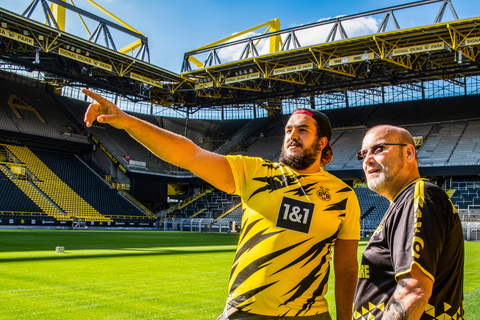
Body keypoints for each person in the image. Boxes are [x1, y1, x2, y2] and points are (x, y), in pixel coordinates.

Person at [82, 89, 361, 320]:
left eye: (302, 130)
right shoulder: (255, 171)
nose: (291, 135)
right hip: (245, 311)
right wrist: (127, 121)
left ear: (322, 142)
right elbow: (189, 155)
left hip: (308, 315)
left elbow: (347, 267)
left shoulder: (343, 196)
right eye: (288, 129)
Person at [353, 125, 464, 320]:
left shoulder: (418, 195)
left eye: (378, 149)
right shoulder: (404, 202)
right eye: (363, 154)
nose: (368, 159)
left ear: (409, 153)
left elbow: (413, 292)